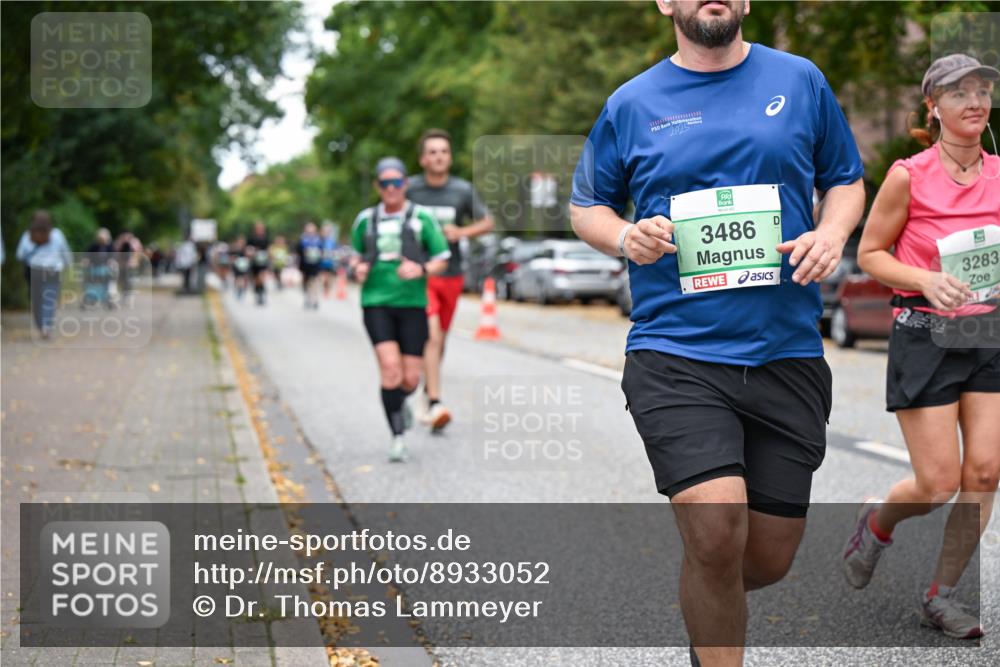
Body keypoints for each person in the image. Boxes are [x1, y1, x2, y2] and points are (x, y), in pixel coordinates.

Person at [568, 2, 865, 664]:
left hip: (786, 351)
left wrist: (833, 231)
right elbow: (587, 203)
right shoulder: (632, 102)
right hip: (676, 353)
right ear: (665, 3)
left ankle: (708, 590)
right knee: (715, 531)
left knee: (764, 557)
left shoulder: (800, 80)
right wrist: (625, 235)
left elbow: (844, 178)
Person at [841, 54, 1000, 640]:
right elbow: (871, 254)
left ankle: (942, 594)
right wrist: (925, 278)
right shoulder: (910, 174)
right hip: (925, 332)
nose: (975, 101)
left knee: (984, 473)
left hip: (986, 331)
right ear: (933, 107)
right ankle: (877, 524)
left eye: (982, 90)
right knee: (938, 483)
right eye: (959, 93)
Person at [350, 157, 450, 462]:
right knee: (390, 369)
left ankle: (399, 402)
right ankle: (397, 437)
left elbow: (442, 258)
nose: (391, 188)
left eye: (396, 182)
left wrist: (421, 269)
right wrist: (357, 268)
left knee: (409, 379)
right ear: (377, 187)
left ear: (406, 183)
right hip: (376, 302)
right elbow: (355, 256)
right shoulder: (365, 220)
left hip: (412, 304)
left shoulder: (422, 218)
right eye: (385, 183)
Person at [406, 128, 494, 431]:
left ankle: (425, 387)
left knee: (439, 341)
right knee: (431, 336)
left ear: (450, 157)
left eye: (443, 151)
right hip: (422, 274)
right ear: (422, 159)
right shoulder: (411, 190)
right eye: (432, 152)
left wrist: (461, 233)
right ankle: (435, 401)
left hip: (452, 273)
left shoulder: (461, 190)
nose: (438, 156)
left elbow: (488, 221)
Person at [16, 210, 73, 339]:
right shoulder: (57, 234)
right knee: (49, 299)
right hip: (53, 270)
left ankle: (40, 324)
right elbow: (65, 252)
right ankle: (46, 326)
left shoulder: (27, 235)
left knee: (36, 300)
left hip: (34, 270)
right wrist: (68, 265)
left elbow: (20, 255)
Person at [83, 227, 115, 308]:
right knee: (91, 283)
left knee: (108, 283)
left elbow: (113, 256)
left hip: (105, 268)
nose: (102, 240)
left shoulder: (110, 247)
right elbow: (87, 255)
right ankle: (91, 298)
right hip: (94, 267)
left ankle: (107, 299)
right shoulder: (94, 246)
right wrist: (86, 261)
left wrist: (111, 261)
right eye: (100, 238)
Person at [296, 222, 324, 310]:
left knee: (315, 280)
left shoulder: (318, 240)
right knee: (306, 281)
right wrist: (304, 251)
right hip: (305, 264)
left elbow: (322, 250)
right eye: (309, 229)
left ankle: (315, 299)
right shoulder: (302, 239)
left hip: (315, 263)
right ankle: (307, 297)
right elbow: (298, 250)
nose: (310, 231)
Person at [247, 221, 270, 306]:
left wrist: (268, 255)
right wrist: (252, 253)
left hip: (263, 261)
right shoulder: (251, 238)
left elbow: (268, 249)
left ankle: (261, 293)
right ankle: (258, 292)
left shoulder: (266, 238)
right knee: (256, 279)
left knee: (262, 277)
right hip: (255, 261)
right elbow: (248, 249)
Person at [319, 222, 339, 298]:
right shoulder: (320, 240)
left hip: (330, 262)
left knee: (329, 278)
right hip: (321, 262)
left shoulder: (332, 241)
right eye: (325, 231)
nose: (326, 233)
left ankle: (327, 290)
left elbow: (335, 251)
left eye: (327, 231)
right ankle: (324, 289)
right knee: (324, 277)